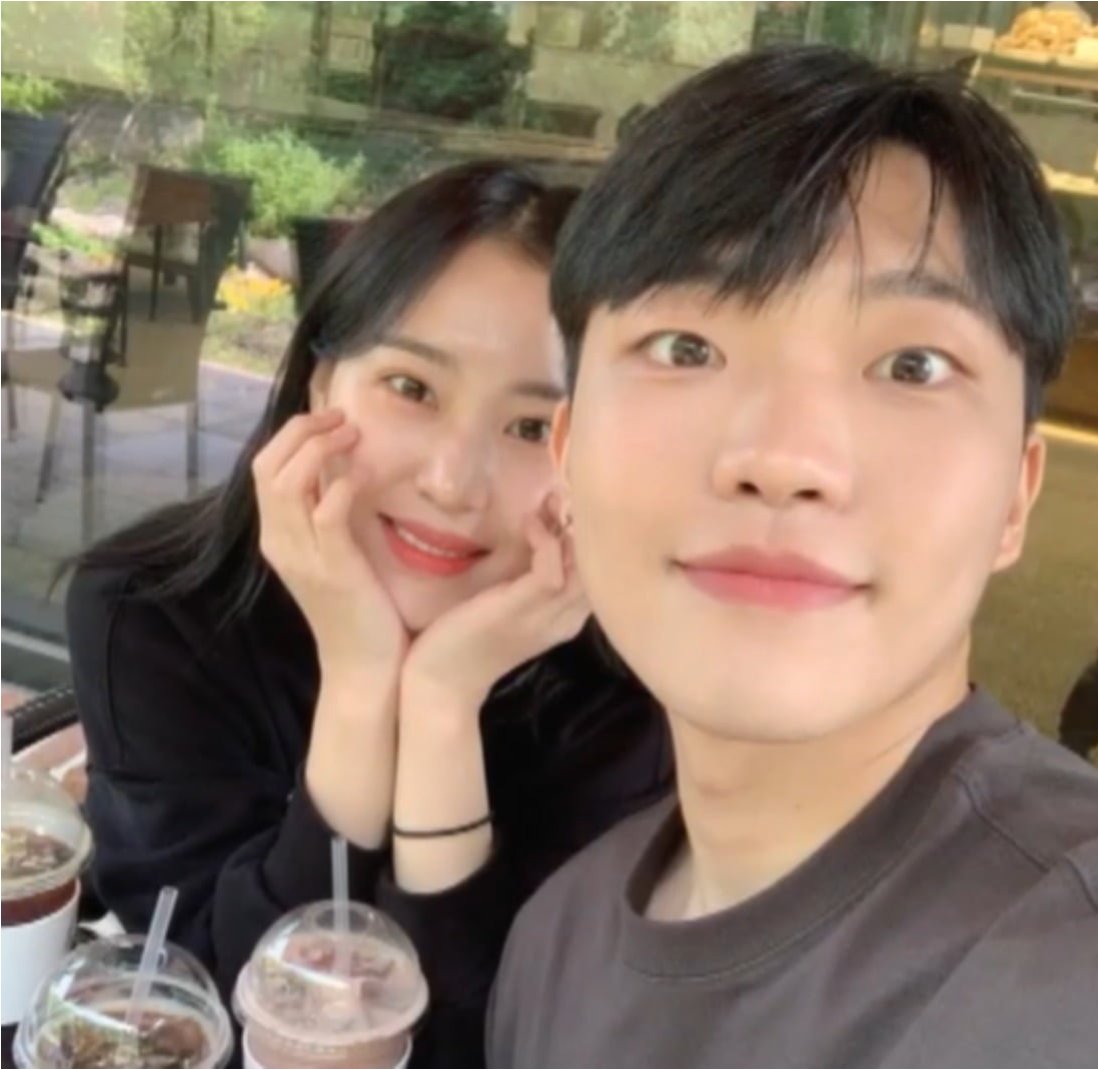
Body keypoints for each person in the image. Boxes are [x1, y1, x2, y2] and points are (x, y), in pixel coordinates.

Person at [488, 47, 1098, 1068]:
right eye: (685, 348)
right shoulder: (555, 945)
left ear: (1015, 495)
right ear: (565, 456)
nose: (782, 460)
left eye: (913, 364)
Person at [65, 161, 672, 1067]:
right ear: (320, 386)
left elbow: (483, 1044)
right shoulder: (152, 613)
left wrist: (441, 705)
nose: (452, 482)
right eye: (412, 389)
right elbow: (213, 1009)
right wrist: (359, 683)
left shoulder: (636, 681)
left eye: (529, 428)